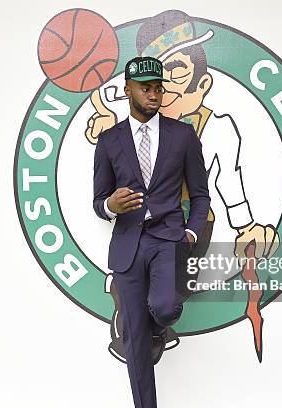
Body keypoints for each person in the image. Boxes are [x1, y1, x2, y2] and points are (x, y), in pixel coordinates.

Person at [92, 55, 211, 408]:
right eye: (146, 88)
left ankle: (158, 326)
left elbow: (201, 193)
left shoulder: (182, 135)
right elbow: (98, 201)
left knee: (166, 307)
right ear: (128, 90)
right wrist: (111, 206)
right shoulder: (110, 140)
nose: (154, 94)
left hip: (168, 241)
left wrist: (189, 234)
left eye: (158, 87)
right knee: (135, 344)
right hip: (128, 246)